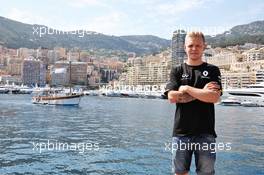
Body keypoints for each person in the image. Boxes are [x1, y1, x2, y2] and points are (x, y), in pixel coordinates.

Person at [164, 32, 222, 175]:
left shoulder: (212, 70)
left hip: (206, 133)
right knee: (180, 173)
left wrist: (187, 89)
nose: (194, 48)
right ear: (185, 47)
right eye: (190, 45)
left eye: (198, 45)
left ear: (204, 47)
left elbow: (214, 97)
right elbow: (172, 97)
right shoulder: (177, 70)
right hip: (181, 133)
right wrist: (202, 92)